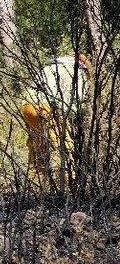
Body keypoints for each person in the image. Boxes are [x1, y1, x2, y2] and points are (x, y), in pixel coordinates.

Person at [20, 53, 90, 188]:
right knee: (63, 143)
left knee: (37, 142)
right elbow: (76, 100)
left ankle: (35, 179)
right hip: (48, 107)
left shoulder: (50, 67)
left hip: (27, 106)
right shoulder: (77, 71)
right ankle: (70, 178)